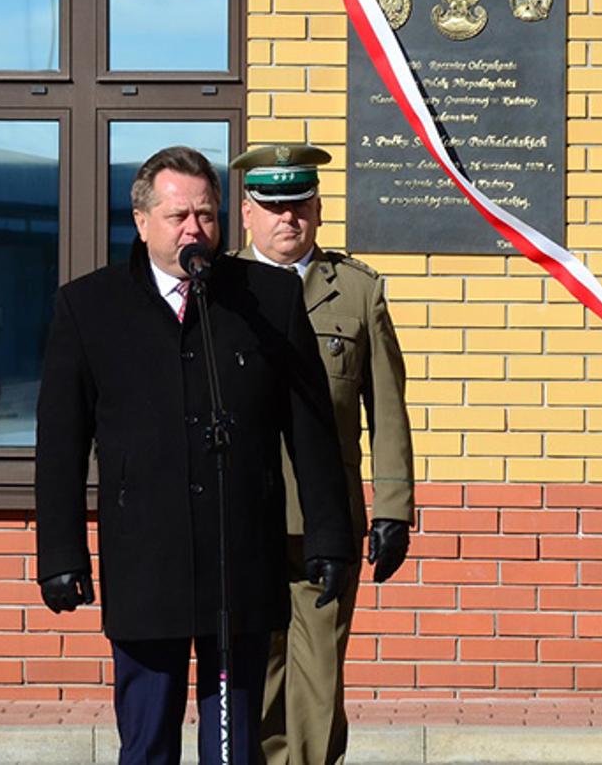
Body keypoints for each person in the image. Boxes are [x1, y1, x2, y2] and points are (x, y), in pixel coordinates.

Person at [33, 146, 359, 765]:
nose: (194, 230)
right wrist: (60, 553)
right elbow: (61, 444)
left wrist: (329, 535)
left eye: (206, 215)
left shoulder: (268, 298)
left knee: (233, 746)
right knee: (148, 740)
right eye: (178, 216)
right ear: (141, 221)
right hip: (145, 560)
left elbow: (311, 427)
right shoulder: (89, 307)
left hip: (239, 554)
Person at [231, 144, 415, 765]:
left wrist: (393, 507)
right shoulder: (220, 289)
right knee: (255, 668)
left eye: (300, 205)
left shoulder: (357, 291)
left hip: (325, 521)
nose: (288, 218)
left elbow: (387, 408)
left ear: (318, 209)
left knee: (318, 676)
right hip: (243, 513)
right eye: (272, 206)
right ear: (247, 213)